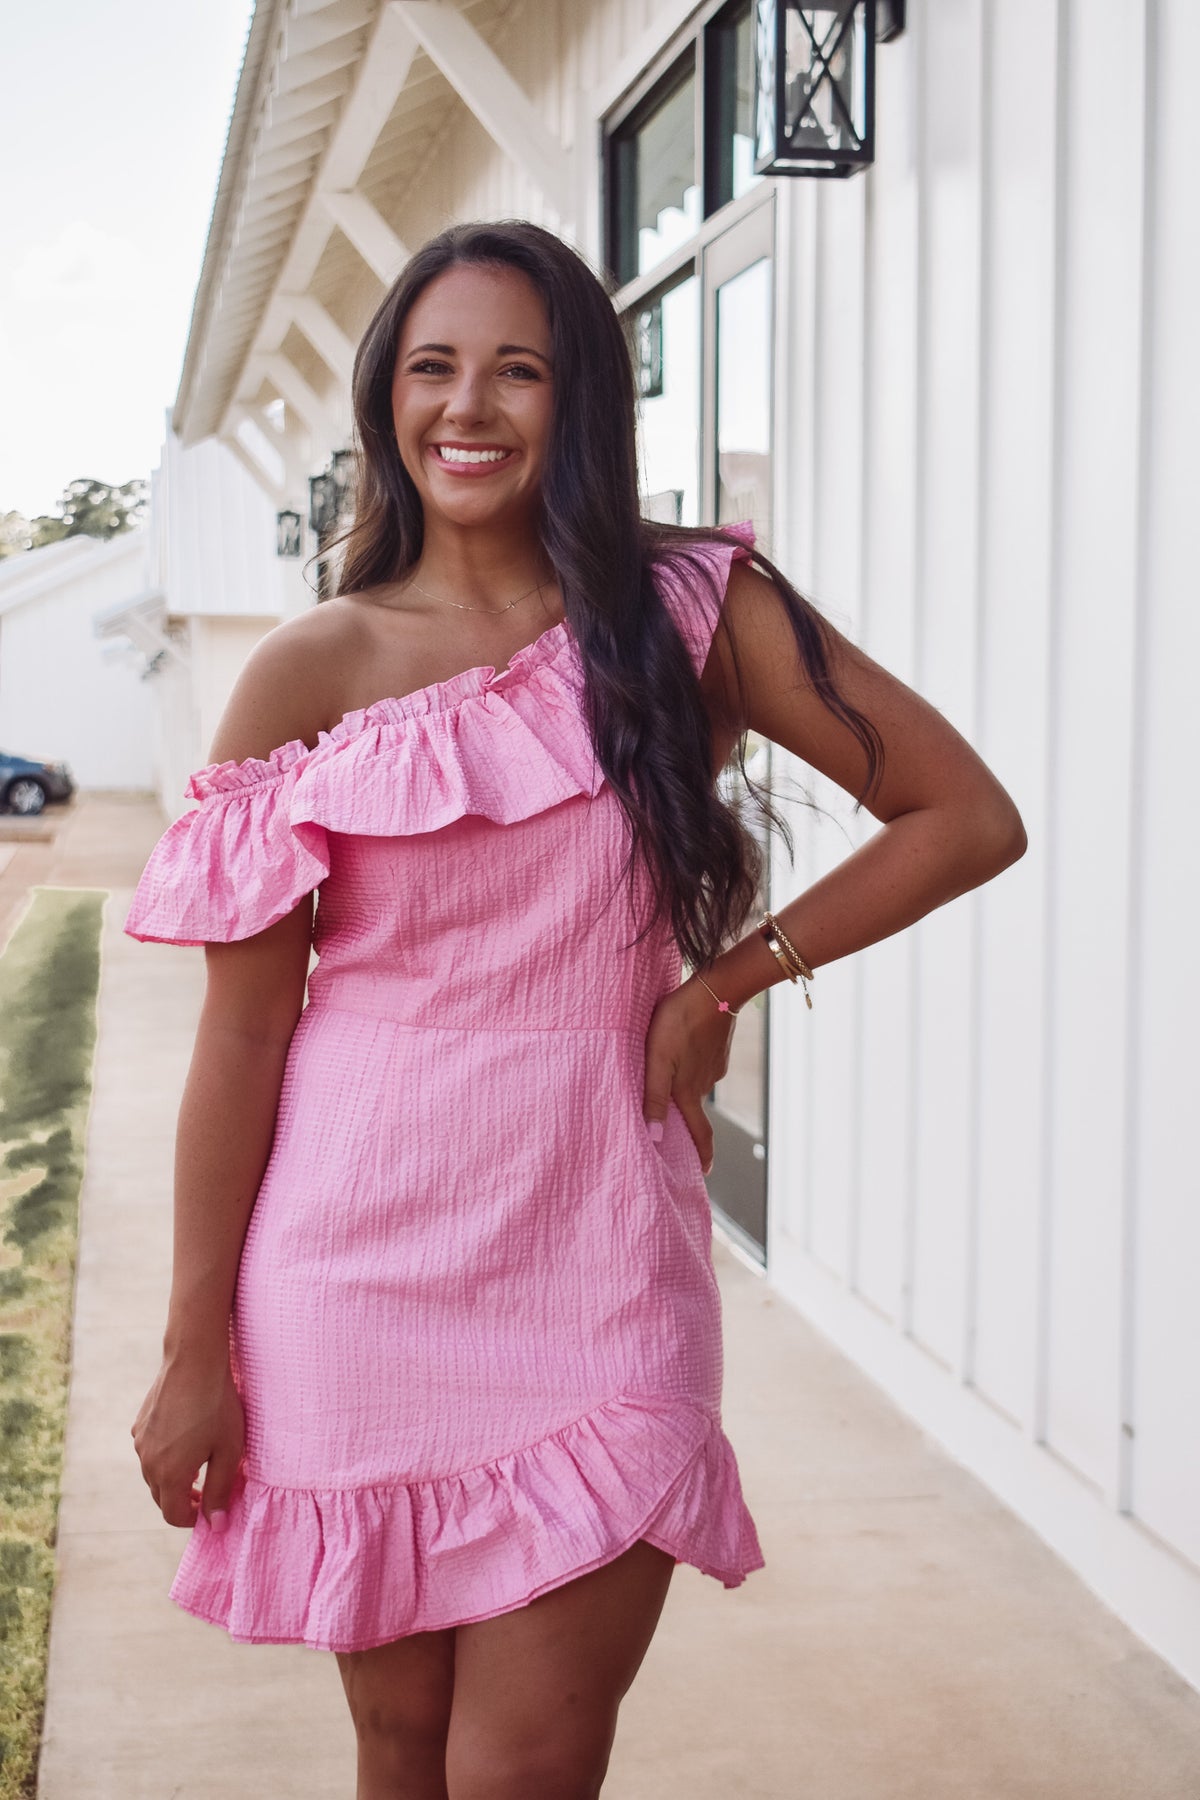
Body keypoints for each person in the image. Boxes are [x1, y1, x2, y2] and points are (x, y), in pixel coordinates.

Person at [126, 218, 1026, 1800]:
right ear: (386, 400)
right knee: (400, 1748)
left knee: (525, 1767)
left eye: (518, 369)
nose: (469, 407)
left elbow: (962, 812)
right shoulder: (311, 667)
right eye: (433, 368)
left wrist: (737, 973)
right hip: (349, 1263)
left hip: (598, 1251)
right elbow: (243, 1041)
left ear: (582, 400)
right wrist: (194, 1343)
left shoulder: (691, 614)